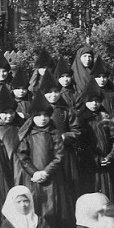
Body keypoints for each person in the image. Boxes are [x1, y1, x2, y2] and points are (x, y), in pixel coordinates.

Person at [16, 95, 73, 228]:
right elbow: (23, 156)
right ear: (32, 117)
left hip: (53, 178)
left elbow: (59, 156)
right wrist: (34, 172)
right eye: (38, 115)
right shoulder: (27, 134)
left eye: (45, 115)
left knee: (53, 207)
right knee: (36, 206)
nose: (42, 119)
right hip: (33, 178)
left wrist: (46, 172)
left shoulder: (54, 133)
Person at [40, 70, 81, 203]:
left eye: (56, 92)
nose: (53, 95)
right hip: (44, 153)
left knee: (67, 185)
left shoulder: (66, 110)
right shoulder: (39, 113)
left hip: (65, 153)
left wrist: (64, 137)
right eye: (49, 92)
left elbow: (77, 131)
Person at [76, 79, 114, 201]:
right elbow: (81, 143)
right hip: (90, 164)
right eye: (91, 101)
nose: (94, 104)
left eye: (97, 101)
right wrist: (96, 158)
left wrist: (111, 156)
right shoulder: (81, 119)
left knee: (110, 192)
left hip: (108, 161)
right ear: (85, 101)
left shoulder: (106, 116)